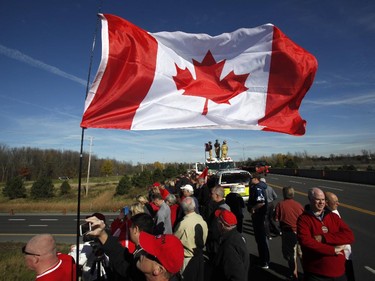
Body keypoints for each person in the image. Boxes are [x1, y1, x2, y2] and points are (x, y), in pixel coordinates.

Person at [297, 188, 355, 281]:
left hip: (339, 271)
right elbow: (306, 242)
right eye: (317, 199)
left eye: (323, 199)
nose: (321, 202)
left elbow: (349, 236)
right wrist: (333, 250)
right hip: (317, 272)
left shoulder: (333, 216)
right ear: (310, 199)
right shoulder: (303, 219)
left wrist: (324, 238)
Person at [86, 213, 154, 281]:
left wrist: (102, 235)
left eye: (130, 227)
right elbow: (121, 256)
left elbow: (124, 266)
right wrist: (102, 235)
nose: (129, 229)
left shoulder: (142, 258)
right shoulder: (151, 250)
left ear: (135, 229)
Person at [174, 197, 208, 281]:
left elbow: (175, 240)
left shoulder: (183, 224)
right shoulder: (201, 219)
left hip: (188, 259)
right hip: (200, 256)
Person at [210, 209, 250, 281]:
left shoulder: (229, 247)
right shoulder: (237, 236)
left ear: (222, 225)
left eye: (217, 221)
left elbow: (237, 277)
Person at [274, 186, 304, 280]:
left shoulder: (280, 204)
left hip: (288, 233)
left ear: (284, 194)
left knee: (291, 255)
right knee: (302, 254)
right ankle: (306, 272)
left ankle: (294, 273)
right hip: (300, 233)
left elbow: (276, 218)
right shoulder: (299, 205)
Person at [325, 191, 355, 281]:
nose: (338, 203)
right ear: (326, 203)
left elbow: (348, 235)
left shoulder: (334, 212)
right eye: (335, 202)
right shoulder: (328, 216)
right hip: (340, 255)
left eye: (337, 201)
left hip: (346, 253)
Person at [247, 173, 270, 269]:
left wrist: (253, 209)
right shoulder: (259, 186)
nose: (250, 180)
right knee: (261, 239)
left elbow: (261, 202)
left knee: (261, 239)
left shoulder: (258, 188)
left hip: (259, 216)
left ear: (256, 179)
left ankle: (264, 261)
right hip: (260, 216)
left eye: (251, 178)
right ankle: (263, 258)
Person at [206, 186, 230, 260]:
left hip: (216, 242)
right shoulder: (215, 205)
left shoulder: (222, 209)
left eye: (212, 193)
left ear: (217, 195)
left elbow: (216, 228)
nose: (211, 195)